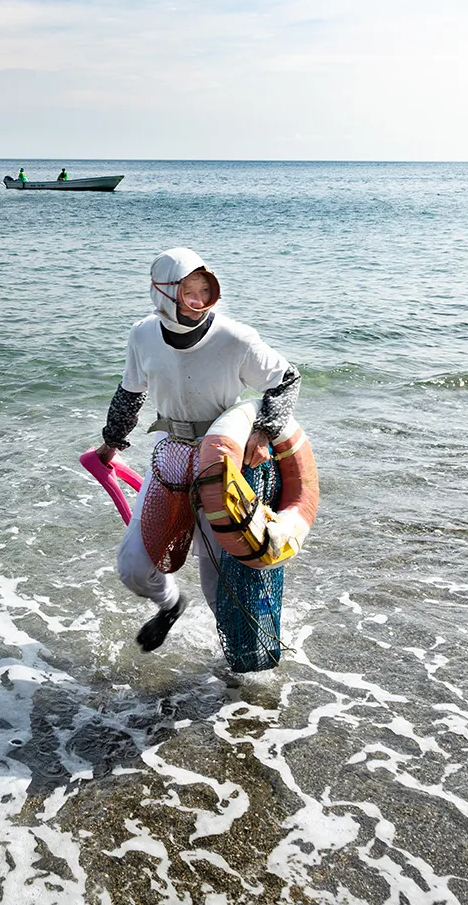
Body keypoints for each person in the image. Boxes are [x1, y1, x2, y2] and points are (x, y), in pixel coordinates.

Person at [94, 248, 301, 652]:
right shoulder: (142, 335)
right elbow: (130, 392)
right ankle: (169, 604)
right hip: (168, 453)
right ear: (163, 294)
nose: (198, 301)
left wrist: (263, 432)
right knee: (134, 567)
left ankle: (238, 667)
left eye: (205, 290)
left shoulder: (234, 337)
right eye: (189, 291)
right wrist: (111, 442)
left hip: (223, 461)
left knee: (216, 580)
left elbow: (286, 379)